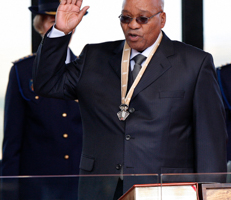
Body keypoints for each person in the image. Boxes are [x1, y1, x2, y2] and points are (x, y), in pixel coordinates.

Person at [33, 0, 227, 199]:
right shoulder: (94, 57)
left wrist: (212, 195)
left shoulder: (195, 63)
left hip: (166, 190)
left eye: (142, 19)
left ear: (162, 19)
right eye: (126, 18)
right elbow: (46, 84)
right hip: (100, 190)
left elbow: (210, 143)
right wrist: (60, 31)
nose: (133, 25)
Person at [0, 0, 83, 199]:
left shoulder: (86, 68)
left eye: (64, 19)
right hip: (37, 189)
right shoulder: (22, 71)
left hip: (80, 186)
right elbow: (12, 141)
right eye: (52, 20)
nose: (59, 25)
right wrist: (9, 194)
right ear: (39, 25)